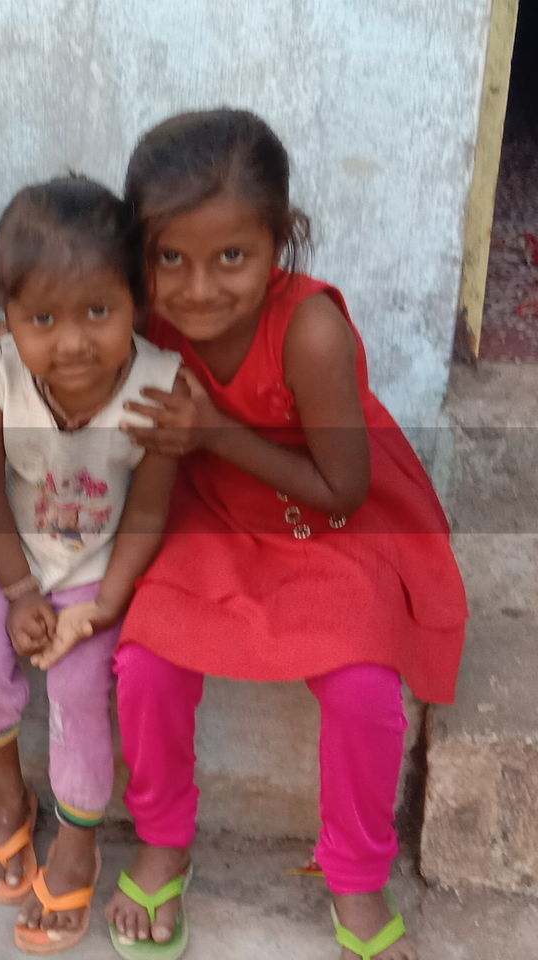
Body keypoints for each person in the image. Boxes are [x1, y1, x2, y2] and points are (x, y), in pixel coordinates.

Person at [105, 109, 467, 960]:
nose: (198, 289)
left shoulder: (309, 330)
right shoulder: (145, 314)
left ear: (281, 240)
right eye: (171, 259)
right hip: (210, 510)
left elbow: (345, 488)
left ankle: (356, 877)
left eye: (232, 257)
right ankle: (164, 838)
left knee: (364, 690)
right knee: (146, 661)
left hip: (330, 521)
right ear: (140, 253)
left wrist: (217, 436)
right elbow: (54, 301)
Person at [0, 175, 181, 954]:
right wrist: (15, 591)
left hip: (96, 563)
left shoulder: (159, 387)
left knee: (83, 689)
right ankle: (7, 797)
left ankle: (78, 840)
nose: (72, 340)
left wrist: (107, 604)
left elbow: (148, 512)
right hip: (9, 552)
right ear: (5, 318)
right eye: (41, 317)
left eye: (98, 312)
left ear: (136, 306)